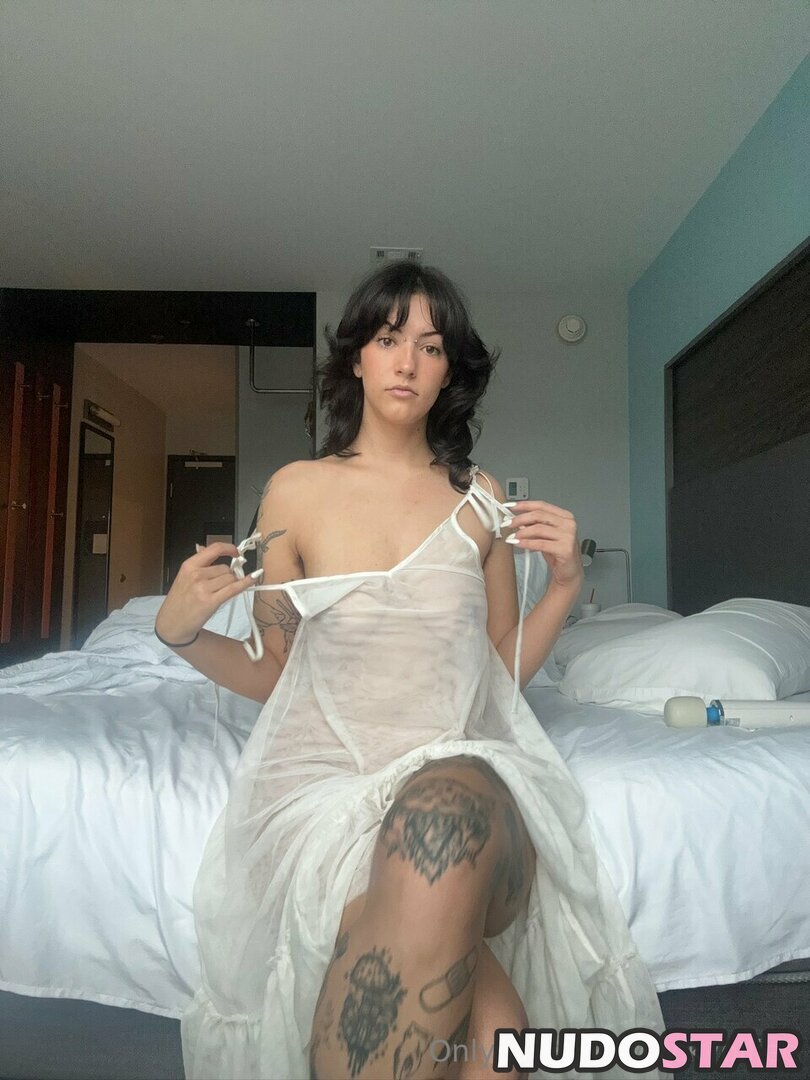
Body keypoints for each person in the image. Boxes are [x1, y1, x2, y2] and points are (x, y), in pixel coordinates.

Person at [156, 261, 663, 1080]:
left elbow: (498, 669)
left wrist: (566, 586)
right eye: (389, 339)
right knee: (493, 1040)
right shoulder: (295, 492)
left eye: (430, 347)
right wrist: (179, 634)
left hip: (465, 780)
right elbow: (276, 667)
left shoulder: (477, 498)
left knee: (441, 810)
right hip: (332, 796)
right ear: (355, 357)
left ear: (448, 371)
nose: (407, 362)